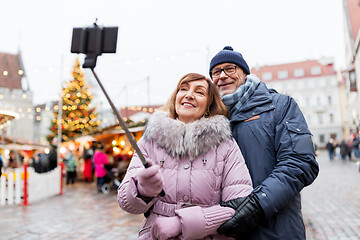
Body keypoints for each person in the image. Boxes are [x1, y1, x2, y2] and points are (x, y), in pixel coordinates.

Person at [118, 73, 253, 239]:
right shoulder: (150, 140)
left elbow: (240, 206)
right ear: (176, 97)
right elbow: (126, 203)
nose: (189, 94)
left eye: (199, 92)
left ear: (209, 106)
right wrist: (141, 190)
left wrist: (182, 223)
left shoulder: (225, 145)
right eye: (184, 89)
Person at [208, 46, 319, 239]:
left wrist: (257, 205)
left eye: (230, 68)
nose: (222, 76)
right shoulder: (208, 118)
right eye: (216, 72)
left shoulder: (280, 106)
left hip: (276, 230)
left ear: (245, 74)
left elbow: (300, 162)